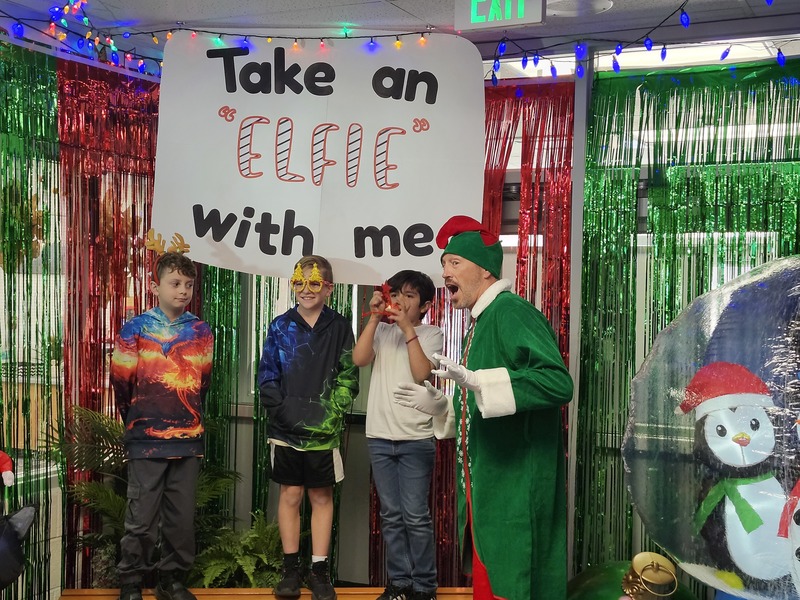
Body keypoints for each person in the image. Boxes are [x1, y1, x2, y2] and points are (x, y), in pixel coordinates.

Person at [393, 215, 574, 599]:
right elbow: (481, 395)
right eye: (444, 263)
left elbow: (558, 383)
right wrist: (444, 407)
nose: (445, 272)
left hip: (515, 488)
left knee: (515, 584)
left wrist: (481, 383)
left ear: (486, 270)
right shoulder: (480, 321)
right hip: (488, 490)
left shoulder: (510, 312)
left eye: (455, 262)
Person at [110, 251, 214, 600]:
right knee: (141, 518)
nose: (183, 290)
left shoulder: (201, 330)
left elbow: (203, 382)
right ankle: (131, 581)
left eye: (189, 284)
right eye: (175, 283)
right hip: (145, 439)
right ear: (155, 287)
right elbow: (121, 383)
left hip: (188, 440)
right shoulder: (135, 329)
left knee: (180, 520)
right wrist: (139, 421)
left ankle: (172, 580)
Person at [258, 255, 359, 600]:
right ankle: (290, 571)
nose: (306, 289)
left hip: (324, 433)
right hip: (285, 431)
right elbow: (267, 377)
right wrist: (284, 413)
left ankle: (319, 572)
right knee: (290, 495)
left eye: (314, 282)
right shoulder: (279, 326)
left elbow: (349, 376)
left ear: (329, 288)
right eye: (299, 282)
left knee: (320, 496)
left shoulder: (340, 327)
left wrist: (331, 413)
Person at [353, 271, 444, 600]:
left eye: (409, 295)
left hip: (415, 439)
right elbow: (359, 359)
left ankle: (424, 586)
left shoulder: (432, 333)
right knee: (391, 516)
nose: (400, 301)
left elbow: (421, 374)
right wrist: (375, 319)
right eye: (395, 294)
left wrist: (407, 328)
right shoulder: (382, 330)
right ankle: (400, 583)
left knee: (415, 516)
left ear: (425, 306)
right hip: (379, 435)